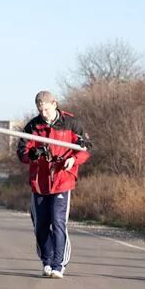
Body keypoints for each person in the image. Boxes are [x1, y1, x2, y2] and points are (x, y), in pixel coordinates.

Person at [16, 91, 91, 279]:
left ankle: (59, 264)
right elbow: (22, 153)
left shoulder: (71, 123)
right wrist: (32, 155)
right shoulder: (33, 126)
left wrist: (73, 160)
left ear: (55, 104)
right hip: (39, 182)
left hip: (62, 179)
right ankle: (47, 261)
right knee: (41, 225)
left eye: (47, 110)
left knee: (58, 222)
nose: (44, 114)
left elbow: (86, 147)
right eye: (40, 110)